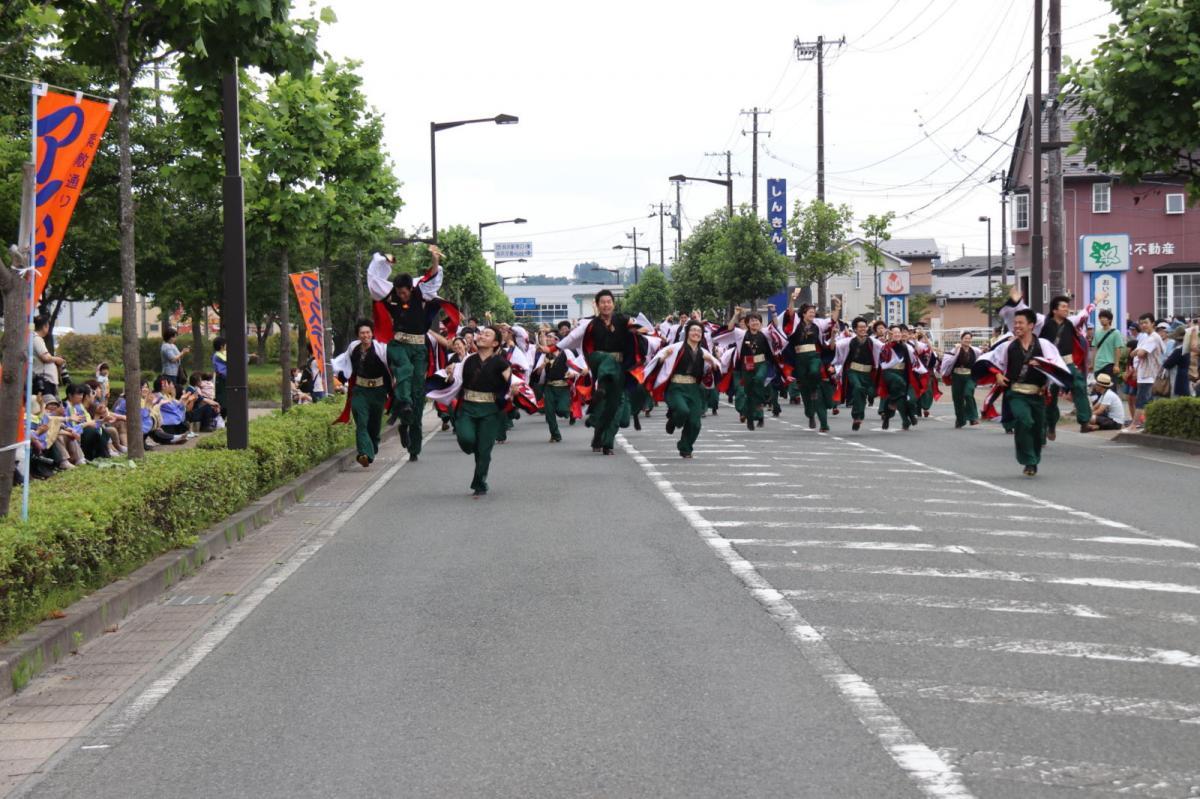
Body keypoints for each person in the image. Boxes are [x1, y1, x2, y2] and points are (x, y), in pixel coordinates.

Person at [367, 247, 448, 460]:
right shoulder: (390, 294)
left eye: (404, 292)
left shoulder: (421, 292)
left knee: (418, 392)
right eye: (399, 292)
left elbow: (432, 278)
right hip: (398, 344)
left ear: (411, 289)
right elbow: (374, 280)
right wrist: (381, 259)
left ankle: (412, 442)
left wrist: (435, 260)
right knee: (404, 369)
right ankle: (402, 403)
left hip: (419, 347)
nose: (401, 295)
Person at [975, 308, 1072, 476]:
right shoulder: (1008, 345)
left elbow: (1056, 364)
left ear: (1031, 325)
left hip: (1037, 394)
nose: (1017, 326)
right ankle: (1028, 461)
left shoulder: (1044, 345)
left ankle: (1033, 459)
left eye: (1020, 323)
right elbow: (987, 360)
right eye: (1015, 323)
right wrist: (997, 374)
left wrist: (1042, 364)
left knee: (1037, 429)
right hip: (1016, 393)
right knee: (1024, 420)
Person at [557, 289, 645, 455]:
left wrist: (638, 331)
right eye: (602, 302)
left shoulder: (623, 320)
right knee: (606, 366)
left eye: (609, 301)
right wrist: (554, 347)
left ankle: (601, 436)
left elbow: (643, 330)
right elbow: (570, 339)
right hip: (599, 362)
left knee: (615, 408)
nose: (606, 305)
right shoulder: (589, 324)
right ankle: (607, 442)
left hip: (619, 367)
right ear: (597, 305)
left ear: (613, 304)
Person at [429, 325, 512, 496]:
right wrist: (450, 374)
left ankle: (479, 482)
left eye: (487, 335)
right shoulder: (467, 360)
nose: (481, 335)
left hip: (490, 410)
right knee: (466, 439)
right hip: (467, 407)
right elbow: (454, 379)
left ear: (495, 342)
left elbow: (512, 383)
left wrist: (514, 390)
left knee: (484, 450)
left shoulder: (501, 362)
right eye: (481, 333)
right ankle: (476, 449)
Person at [642, 320, 724, 458]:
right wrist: (662, 359)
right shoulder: (675, 348)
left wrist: (713, 366)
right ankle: (673, 420)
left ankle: (685, 448)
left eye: (699, 331)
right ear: (687, 333)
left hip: (693, 389)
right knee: (682, 410)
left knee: (695, 423)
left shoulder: (704, 353)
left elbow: (713, 370)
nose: (696, 333)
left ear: (702, 335)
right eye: (693, 330)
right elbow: (657, 361)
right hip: (676, 387)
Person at [333, 319, 392, 468]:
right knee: (361, 422)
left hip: (378, 391)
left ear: (372, 334)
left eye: (367, 332)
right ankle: (364, 454)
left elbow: (392, 366)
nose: (365, 335)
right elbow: (343, 362)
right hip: (360, 391)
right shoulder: (353, 347)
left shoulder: (381, 349)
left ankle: (372, 447)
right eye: (362, 333)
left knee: (374, 425)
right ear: (358, 335)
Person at [778, 290, 838, 431]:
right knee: (805, 390)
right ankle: (810, 415)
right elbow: (790, 313)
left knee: (814, 374)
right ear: (803, 313)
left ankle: (824, 423)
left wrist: (837, 308)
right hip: (799, 358)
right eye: (810, 312)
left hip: (814, 356)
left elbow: (833, 321)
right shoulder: (796, 324)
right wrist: (792, 300)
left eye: (813, 312)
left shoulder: (818, 324)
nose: (812, 314)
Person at [831, 317, 881, 431]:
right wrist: (833, 335)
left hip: (868, 373)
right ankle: (857, 417)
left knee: (864, 394)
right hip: (853, 371)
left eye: (865, 327)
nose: (863, 329)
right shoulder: (848, 341)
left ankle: (859, 417)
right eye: (860, 327)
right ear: (855, 329)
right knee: (858, 388)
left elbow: (885, 348)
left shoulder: (873, 342)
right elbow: (833, 347)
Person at [531, 330, 579, 443]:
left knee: (562, 410)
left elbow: (575, 366)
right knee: (549, 412)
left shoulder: (566, 352)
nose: (547, 339)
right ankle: (555, 434)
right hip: (549, 387)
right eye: (547, 337)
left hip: (563, 387)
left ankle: (570, 413)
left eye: (550, 337)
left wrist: (572, 373)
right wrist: (541, 367)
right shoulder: (545, 355)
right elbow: (537, 374)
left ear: (557, 340)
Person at [940, 331, 982, 429]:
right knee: (958, 399)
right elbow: (947, 361)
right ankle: (960, 420)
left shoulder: (975, 351)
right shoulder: (955, 349)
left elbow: (981, 361)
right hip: (957, 377)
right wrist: (956, 351)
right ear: (961, 339)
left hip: (970, 377)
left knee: (968, 394)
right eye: (965, 338)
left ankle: (973, 418)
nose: (967, 340)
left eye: (969, 338)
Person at [1130, 312, 1164, 430]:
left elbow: (1139, 353)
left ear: (1153, 323)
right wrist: (1137, 352)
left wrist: (1138, 352)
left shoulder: (1153, 338)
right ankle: (1146, 425)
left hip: (1149, 375)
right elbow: (1133, 353)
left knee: (1141, 402)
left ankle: (1134, 425)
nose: (1143, 325)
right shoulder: (1147, 337)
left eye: (1146, 323)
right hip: (1145, 374)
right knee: (1147, 402)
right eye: (1141, 323)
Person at [31, 316, 64, 398]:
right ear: (45, 326)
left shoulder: (33, 338)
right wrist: (58, 359)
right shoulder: (37, 339)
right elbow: (45, 358)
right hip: (45, 380)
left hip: (44, 380)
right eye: (48, 325)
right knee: (48, 406)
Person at [1091, 309, 1123, 380]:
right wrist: (1092, 364)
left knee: (1110, 389)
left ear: (1110, 320)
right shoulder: (1097, 333)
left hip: (1110, 364)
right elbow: (1094, 350)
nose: (1102, 320)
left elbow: (1117, 349)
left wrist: (1116, 365)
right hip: (1098, 365)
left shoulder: (1116, 333)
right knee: (1099, 389)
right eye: (1100, 318)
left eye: (1104, 318)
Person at [160, 328, 190, 392]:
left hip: (176, 372)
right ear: (170, 337)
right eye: (174, 337)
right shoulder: (165, 346)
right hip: (169, 373)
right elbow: (173, 359)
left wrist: (184, 353)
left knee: (176, 390)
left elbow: (179, 357)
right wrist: (182, 352)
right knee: (170, 391)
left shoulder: (173, 345)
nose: (175, 338)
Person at [211, 337, 228, 417]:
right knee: (222, 399)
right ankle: (221, 417)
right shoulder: (218, 355)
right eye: (225, 344)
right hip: (221, 379)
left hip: (224, 379)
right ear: (222, 346)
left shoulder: (221, 354)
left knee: (225, 398)